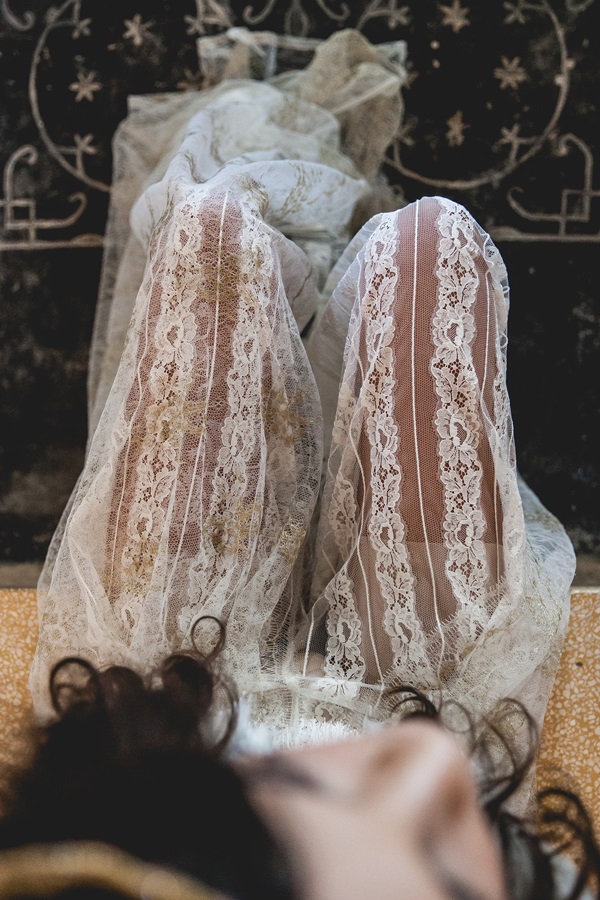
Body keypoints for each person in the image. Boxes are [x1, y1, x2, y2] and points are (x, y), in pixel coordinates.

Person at [0, 27, 596, 900]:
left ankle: (303, 316)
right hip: (433, 684)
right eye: (449, 869)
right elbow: (442, 750)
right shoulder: (456, 765)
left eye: (297, 789)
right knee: (435, 247)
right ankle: (323, 346)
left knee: (212, 237)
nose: (430, 766)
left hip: (174, 689)